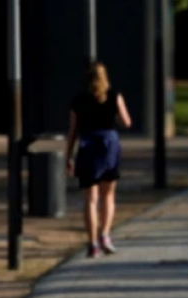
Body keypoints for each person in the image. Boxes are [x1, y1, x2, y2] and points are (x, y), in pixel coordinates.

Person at [65, 62, 132, 258]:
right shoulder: (114, 96)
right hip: (109, 146)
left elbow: (72, 132)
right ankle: (105, 235)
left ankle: (92, 243)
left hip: (88, 146)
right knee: (108, 195)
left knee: (90, 198)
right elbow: (127, 122)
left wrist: (68, 156)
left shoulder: (79, 100)